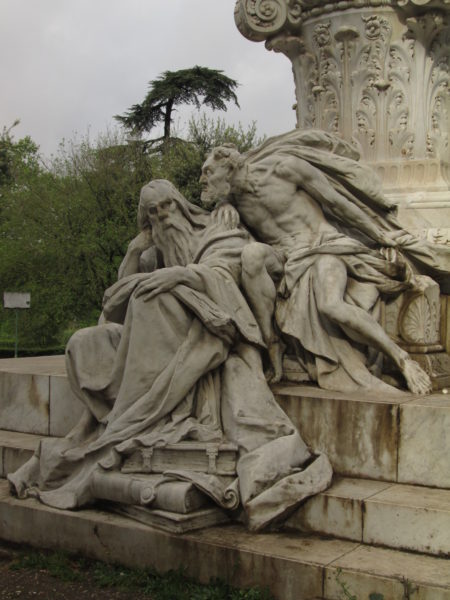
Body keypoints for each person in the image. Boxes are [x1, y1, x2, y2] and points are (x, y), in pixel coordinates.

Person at [8, 179, 332, 531]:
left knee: (153, 299)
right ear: (146, 219)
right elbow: (114, 301)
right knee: (85, 342)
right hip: (152, 335)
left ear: (180, 204)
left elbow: (227, 273)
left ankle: (133, 416)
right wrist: (134, 252)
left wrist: (178, 276)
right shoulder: (152, 253)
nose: (163, 215)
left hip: (209, 327)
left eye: (167, 205)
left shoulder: (215, 228)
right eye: (153, 211)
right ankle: (127, 413)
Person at [200, 130, 450, 394]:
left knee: (330, 304)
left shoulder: (285, 169)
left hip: (324, 246)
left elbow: (337, 202)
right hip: (285, 256)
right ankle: (271, 344)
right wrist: (223, 206)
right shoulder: (233, 201)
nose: (202, 180)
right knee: (251, 255)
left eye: (208, 172)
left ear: (229, 167)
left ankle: (402, 359)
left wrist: (379, 235)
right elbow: (220, 221)